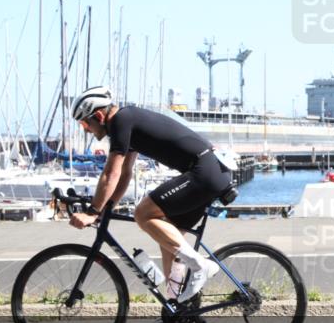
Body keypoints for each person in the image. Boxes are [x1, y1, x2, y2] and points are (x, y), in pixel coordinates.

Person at [67, 86, 232, 303]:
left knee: (143, 213)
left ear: (98, 115)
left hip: (205, 171)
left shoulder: (121, 121)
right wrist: (109, 206)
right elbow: (125, 173)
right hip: (210, 171)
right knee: (170, 242)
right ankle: (176, 303)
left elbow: (111, 172)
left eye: (85, 123)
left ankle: (200, 264)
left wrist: (92, 211)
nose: (86, 129)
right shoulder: (128, 122)